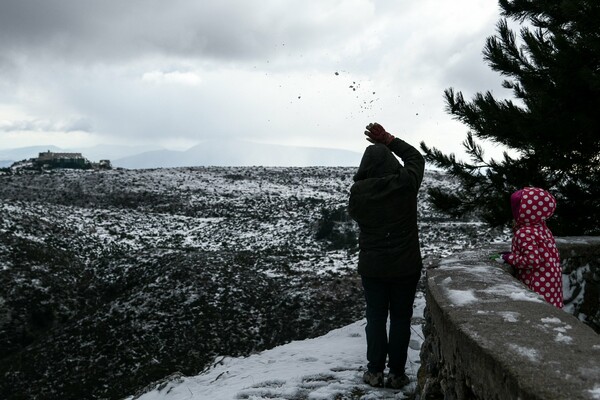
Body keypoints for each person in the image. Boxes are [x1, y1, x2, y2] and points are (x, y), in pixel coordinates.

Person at [348, 122, 425, 389]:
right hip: (405, 266)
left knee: (376, 317)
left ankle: (375, 371)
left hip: (373, 267)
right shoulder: (405, 184)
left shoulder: (358, 193)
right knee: (401, 318)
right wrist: (390, 140)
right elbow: (416, 158)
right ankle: (396, 374)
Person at [499, 187, 563, 308]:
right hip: (550, 285)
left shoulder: (524, 232)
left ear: (523, 211)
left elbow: (532, 260)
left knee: (540, 312)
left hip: (536, 285)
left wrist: (509, 258)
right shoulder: (542, 228)